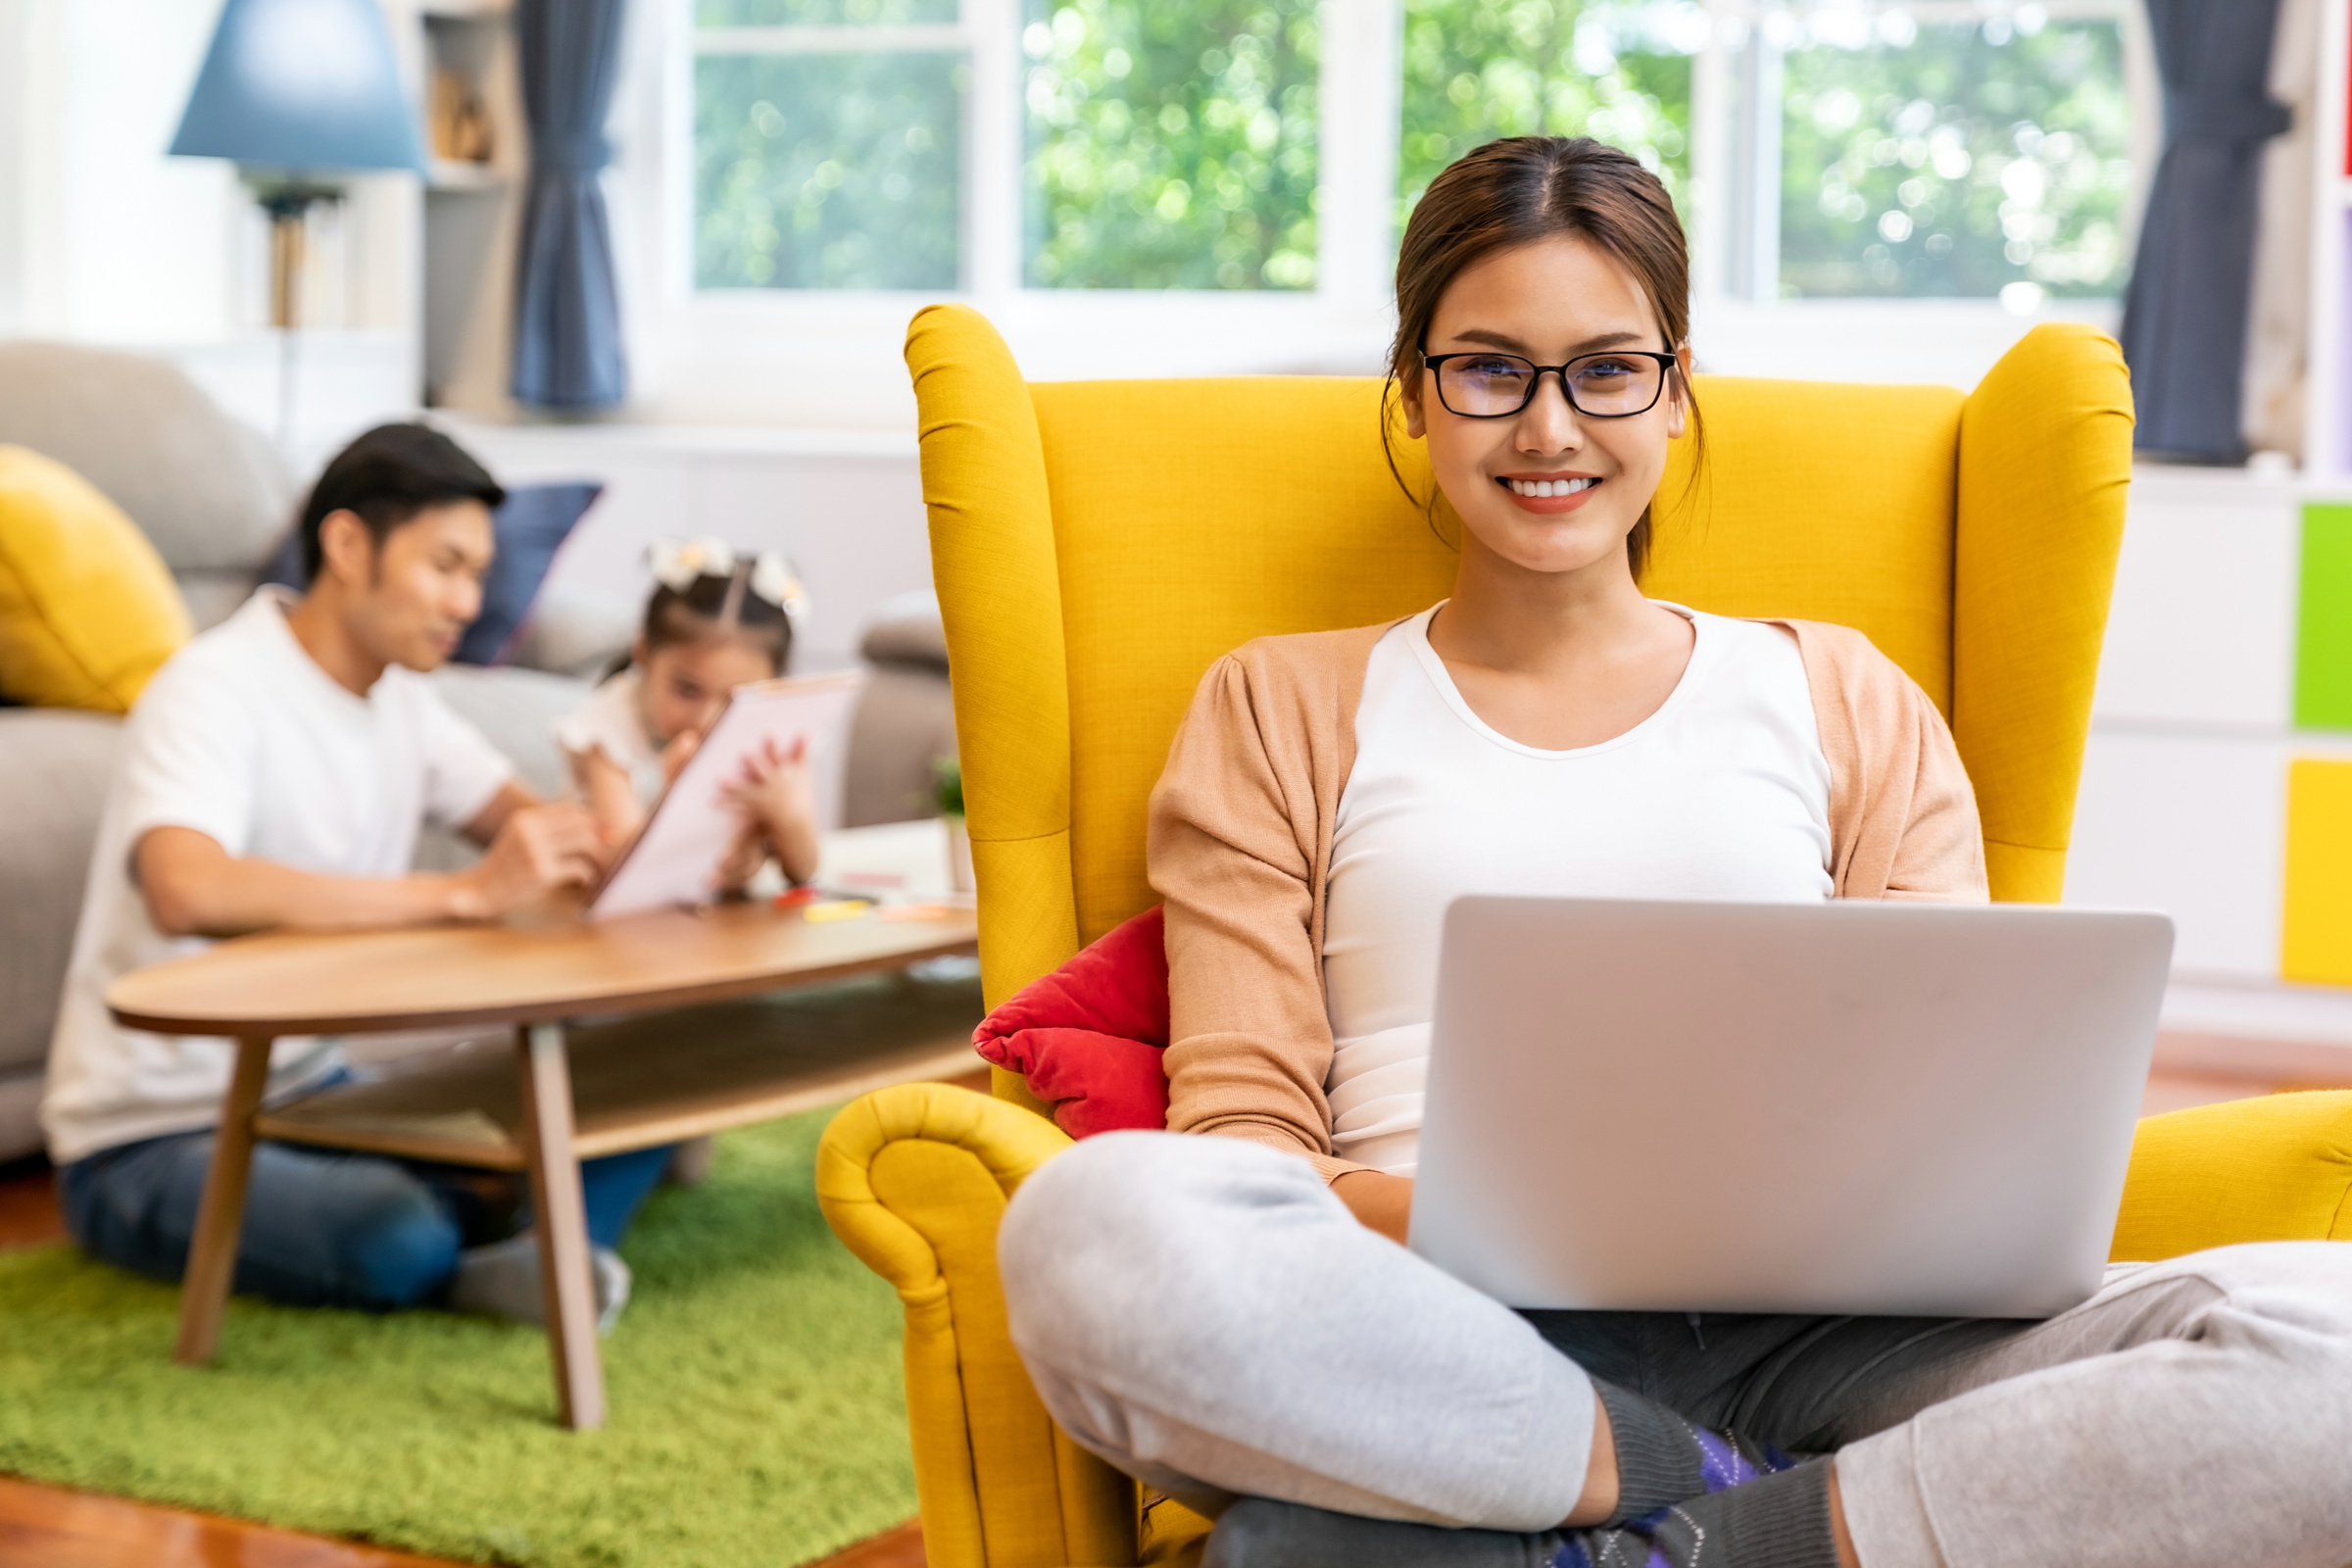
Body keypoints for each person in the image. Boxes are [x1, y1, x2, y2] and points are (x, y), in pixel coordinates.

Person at [992, 138, 2352, 1568]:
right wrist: (1522, 1233)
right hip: (1441, 1334)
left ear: (1676, 384)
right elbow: (1245, 1147)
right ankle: (1678, 1474)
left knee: (2328, 1346)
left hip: (1845, 1341)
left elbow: (1955, 1126)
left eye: (1604, 368)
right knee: (1094, 1231)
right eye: (1489, 369)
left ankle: (1675, 1539)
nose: (1549, 429)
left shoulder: (1845, 696)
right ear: (1415, 391)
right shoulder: (1276, 704)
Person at [45, 422, 666, 1331]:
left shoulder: (405, 699)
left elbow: (538, 834)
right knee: (396, 1234)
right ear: (346, 545)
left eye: (477, 574)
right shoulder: (213, 687)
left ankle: (521, 1241)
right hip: (151, 1135)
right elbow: (189, 887)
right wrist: (460, 895)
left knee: (651, 1080)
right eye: (445, 566)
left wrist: (675, 831)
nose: (468, 601)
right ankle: (514, 1235)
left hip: (311, 1092)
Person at [556, 535, 818, 891]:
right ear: (643, 654)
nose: (707, 719)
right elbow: (625, 870)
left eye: (736, 699)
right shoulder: (608, 727)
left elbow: (804, 870)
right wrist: (677, 796)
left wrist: (788, 816)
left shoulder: (769, 738)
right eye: (687, 689)